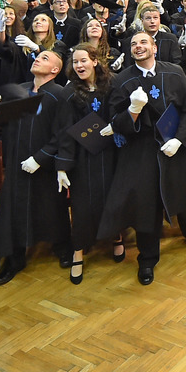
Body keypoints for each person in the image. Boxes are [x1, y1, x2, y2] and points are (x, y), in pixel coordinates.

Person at [100, 31, 186, 286]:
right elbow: (115, 121)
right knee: (145, 205)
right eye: (133, 44)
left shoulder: (175, 72)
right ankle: (147, 258)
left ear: (155, 47)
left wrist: (179, 140)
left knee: (182, 193)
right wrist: (133, 110)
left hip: (174, 145)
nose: (138, 47)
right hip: (141, 149)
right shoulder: (121, 80)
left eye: (143, 42)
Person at [0, 49, 72, 286]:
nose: (37, 59)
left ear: (55, 70)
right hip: (16, 162)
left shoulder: (59, 94)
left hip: (45, 164)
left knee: (51, 207)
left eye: (45, 58)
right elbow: (5, 121)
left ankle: (62, 247)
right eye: (37, 56)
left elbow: (63, 132)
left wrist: (40, 158)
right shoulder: (20, 90)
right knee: (14, 210)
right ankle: (14, 259)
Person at [54, 45, 116, 284]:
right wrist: (62, 166)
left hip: (110, 153)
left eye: (83, 60)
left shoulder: (111, 85)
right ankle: (78, 251)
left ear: (95, 61)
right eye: (75, 62)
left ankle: (117, 237)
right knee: (82, 206)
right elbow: (64, 131)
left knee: (112, 199)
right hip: (83, 157)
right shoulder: (68, 93)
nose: (79, 65)